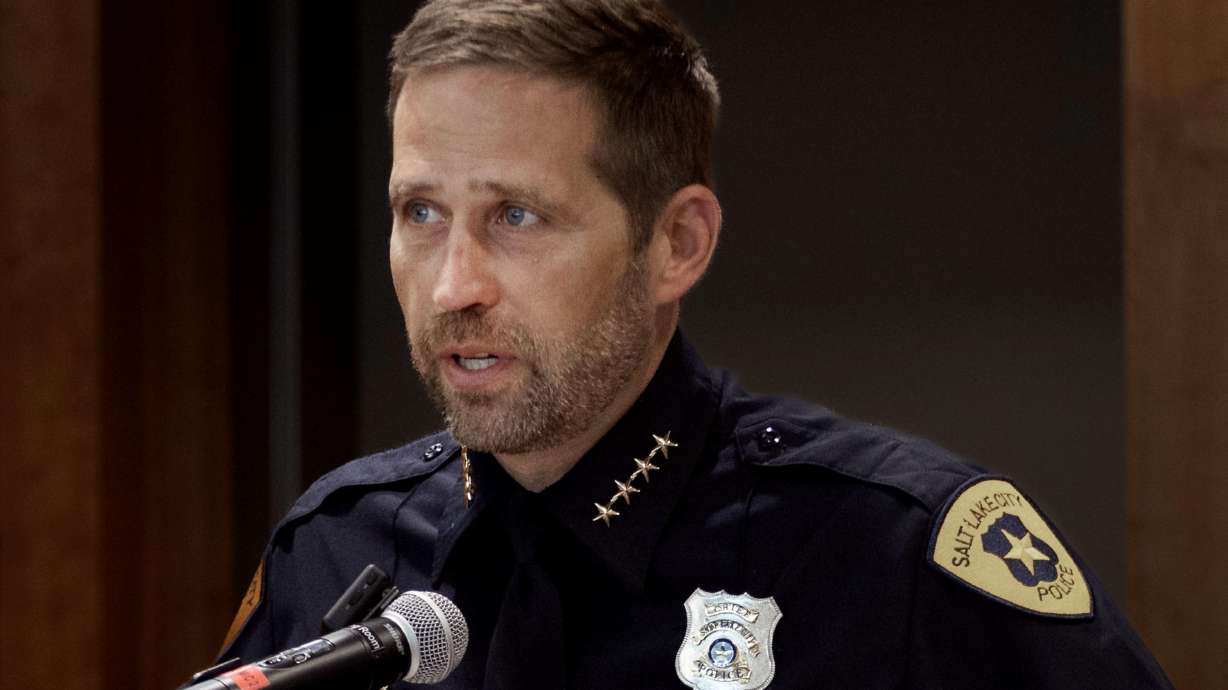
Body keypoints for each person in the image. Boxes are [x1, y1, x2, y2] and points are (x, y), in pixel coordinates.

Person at [220, 1, 1172, 687]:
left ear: (678, 243)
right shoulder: (338, 548)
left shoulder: (896, 557)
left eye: (517, 215)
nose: (453, 285)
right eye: (420, 211)